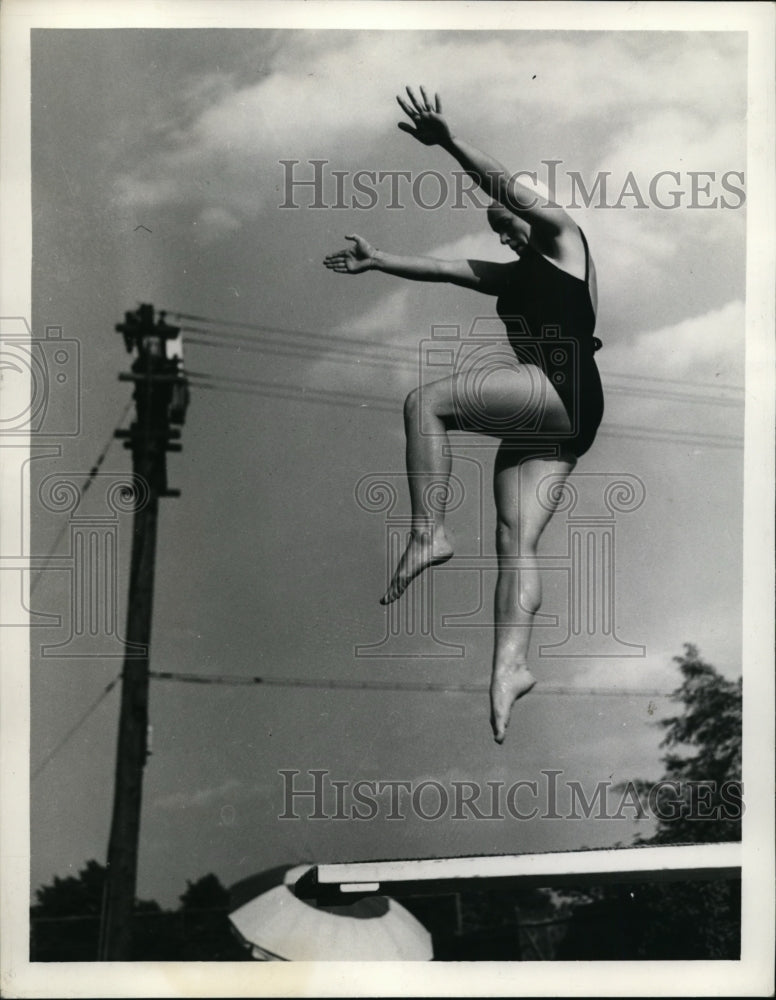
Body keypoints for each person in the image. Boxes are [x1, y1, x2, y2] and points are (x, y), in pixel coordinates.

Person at [323, 87, 604, 743]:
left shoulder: (566, 244)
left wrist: (449, 141)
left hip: (562, 389)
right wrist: (379, 259)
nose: (500, 221)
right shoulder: (515, 274)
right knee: (516, 542)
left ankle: (429, 534)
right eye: (496, 221)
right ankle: (511, 668)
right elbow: (444, 268)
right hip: (562, 421)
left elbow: (500, 181)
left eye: (509, 213)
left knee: (428, 402)